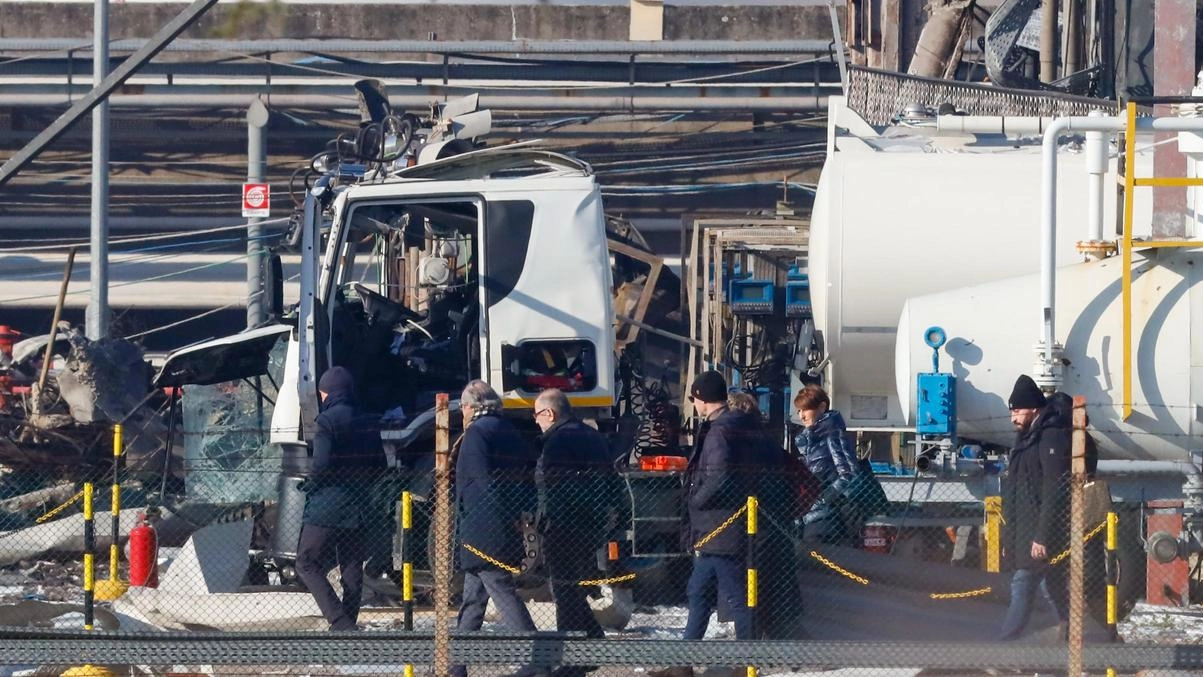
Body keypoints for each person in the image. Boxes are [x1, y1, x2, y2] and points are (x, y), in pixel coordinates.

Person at [650, 371, 754, 677]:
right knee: (699, 593)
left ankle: (747, 662)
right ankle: (684, 662)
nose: (693, 404)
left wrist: (695, 498)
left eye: (694, 398)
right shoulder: (733, 427)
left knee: (735, 596)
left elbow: (718, 476)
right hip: (715, 531)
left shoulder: (719, 432)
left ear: (702, 398)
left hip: (720, 528)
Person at [451, 379, 542, 677]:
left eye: (463, 406)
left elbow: (476, 483)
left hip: (483, 529)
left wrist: (475, 523)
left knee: (502, 592)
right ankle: (455, 667)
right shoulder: (508, 430)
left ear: (472, 407)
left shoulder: (476, 434)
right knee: (473, 599)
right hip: (506, 523)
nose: (462, 412)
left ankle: (537, 659)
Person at [296, 366, 386, 631]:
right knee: (351, 564)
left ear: (329, 393)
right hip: (360, 505)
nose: (322, 398)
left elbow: (321, 464)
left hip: (328, 506)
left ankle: (339, 620)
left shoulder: (326, 422)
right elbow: (380, 463)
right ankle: (348, 621)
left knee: (306, 562)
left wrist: (311, 484)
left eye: (323, 394)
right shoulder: (368, 420)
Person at [533, 388, 615, 677]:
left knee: (564, 592)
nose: (535, 422)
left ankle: (571, 661)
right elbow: (611, 479)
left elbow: (555, 489)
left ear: (550, 413)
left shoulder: (557, 442)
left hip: (563, 526)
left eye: (537, 415)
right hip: (591, 525)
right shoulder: (592, 436)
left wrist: (547, 522)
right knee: (572, 588)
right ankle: (594, 644)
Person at [726, 391, 807, 639]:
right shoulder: (769, 441)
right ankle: (790, 643)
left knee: (754, 589)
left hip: (757, 525)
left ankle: (755, 650)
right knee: (780, 588)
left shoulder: (740, 443)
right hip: (778, 521)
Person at [998, 374, 1072, 641]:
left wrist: (1042, 535)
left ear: (1033, 408)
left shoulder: (1050, 438)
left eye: (1017, 411)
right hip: (1025, 533)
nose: (1013, 418)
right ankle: (1076, 634)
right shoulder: (1026, 439)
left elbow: (1054, 489)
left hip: (1041, 533)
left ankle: (1005, 645)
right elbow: (1015, 493)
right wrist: (1010, 537)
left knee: (1023, 586)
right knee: (1051, 588)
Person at [793, 384, 887, 544]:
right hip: (817, 514)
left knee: (817, 556)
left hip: (828, 516)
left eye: (805, 409)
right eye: (799, 411)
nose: (801, 416)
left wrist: (823, 499)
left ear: (822, 407)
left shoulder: (831, 434)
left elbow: (848, 473)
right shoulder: (814, 438)